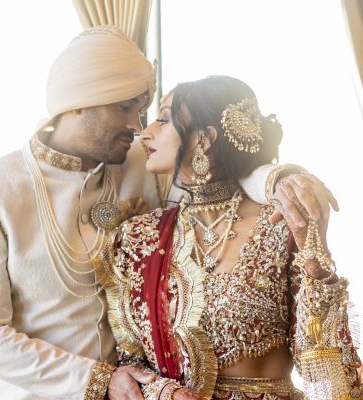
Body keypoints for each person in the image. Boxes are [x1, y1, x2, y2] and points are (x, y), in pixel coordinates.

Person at [0, 26, 338, 400]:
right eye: (125, 108)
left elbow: (219, 173)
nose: (137, 127)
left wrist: (278, 180)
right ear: (78, 100)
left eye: (145, 112)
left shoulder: (142, 163)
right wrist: (97, 380)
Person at [98, 75, 362, 400]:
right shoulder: (139, 237)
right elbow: (132, 363)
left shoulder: (278, 223)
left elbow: (321, 360)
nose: (146, 131)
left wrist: (316, 259)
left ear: (204, 139)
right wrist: (164, 392)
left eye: (164, 119)